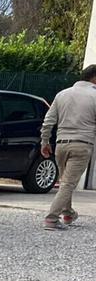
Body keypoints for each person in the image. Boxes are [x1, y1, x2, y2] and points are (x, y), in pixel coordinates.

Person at [40, 64, 96, 230]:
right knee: (68, 184)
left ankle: (68, 213)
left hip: (61, 145)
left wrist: (44, 142)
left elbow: (48, 121)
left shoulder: (62, 94)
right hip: (82, 144)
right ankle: (51, 218)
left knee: (66, 181)